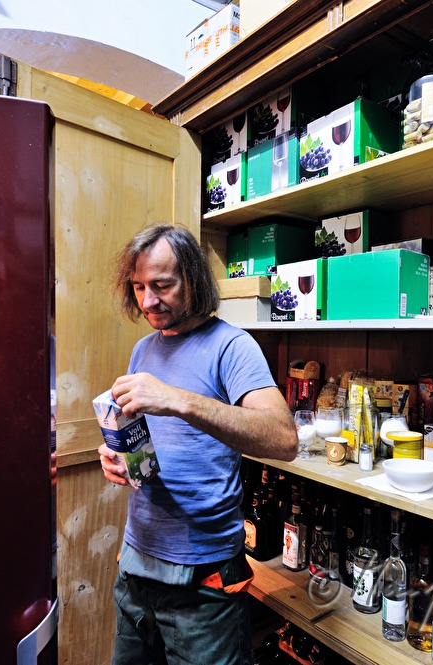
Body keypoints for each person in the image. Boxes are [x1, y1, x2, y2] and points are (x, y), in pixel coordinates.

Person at [98, 223, 297, 665]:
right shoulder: (143, 349)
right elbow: (150, 440)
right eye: (139, 287)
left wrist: (178, 399)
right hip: (136, 567)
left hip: (203, 582)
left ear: (192, 278)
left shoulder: (233, 346)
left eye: (162, 285)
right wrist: (116, 456)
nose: (148, 300)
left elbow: (284, 439)